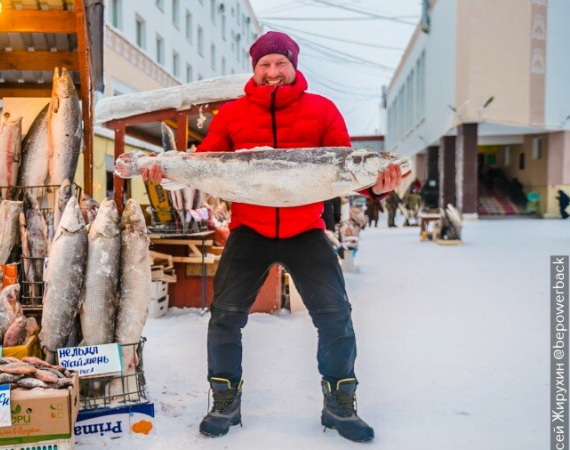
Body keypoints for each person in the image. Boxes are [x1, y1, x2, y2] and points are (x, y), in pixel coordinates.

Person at [144, 32, 402, 442]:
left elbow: (345, 166)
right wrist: (170, 168)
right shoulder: (231, 115)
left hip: (306, 230)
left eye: (280, 63)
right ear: (255, 69)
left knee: (336, 315)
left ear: (294, 65)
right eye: (264, 64)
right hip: (250, 230)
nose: (272, 71)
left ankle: (340, 404)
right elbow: (205, 161)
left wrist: (378, 186)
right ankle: (225, 401)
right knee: (225, 316)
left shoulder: (322, 110)